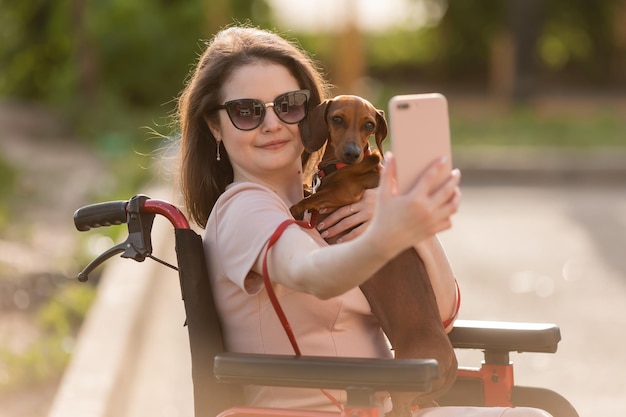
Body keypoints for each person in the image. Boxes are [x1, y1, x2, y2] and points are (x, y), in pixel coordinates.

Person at [176, 25, 551, 417]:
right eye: (246, 111)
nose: (273, 124)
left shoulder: (335, 207)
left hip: (391, 404)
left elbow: (441, 312)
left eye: (288, 105)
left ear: (312, 115)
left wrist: (413, 229)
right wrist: (386, 235)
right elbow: (311, 273)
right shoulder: (245, 209)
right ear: (214, 125)